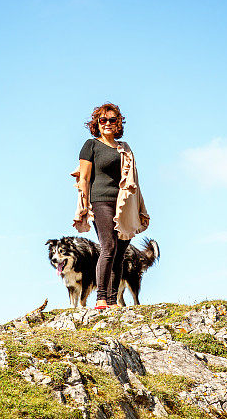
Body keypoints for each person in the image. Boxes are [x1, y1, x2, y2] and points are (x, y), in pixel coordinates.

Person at [75, 102, 148, 310]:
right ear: (96, 123)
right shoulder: (91, 145)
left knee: (121, 249)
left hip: (124, 205)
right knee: (109, 246)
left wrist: (141, 210)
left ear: (118, 123)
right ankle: (101, 298)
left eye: (112, 120)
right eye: (103, 120)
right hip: (101, 200)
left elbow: (135, 180)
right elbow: (85, 178)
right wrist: (83, 203)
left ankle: (113, 299)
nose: (107, 123)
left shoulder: (124, 148)